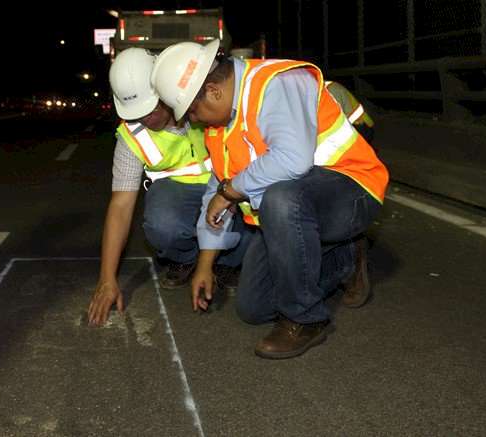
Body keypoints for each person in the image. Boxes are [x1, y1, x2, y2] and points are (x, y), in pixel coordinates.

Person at [151, 40, 389, 358]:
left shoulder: (278, 83)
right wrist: (204, 265)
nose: (194, 121)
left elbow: (292, 159)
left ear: (213, 91)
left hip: (352, 192)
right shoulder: (219, 127)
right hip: (291, 218)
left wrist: (231, 190)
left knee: (280, 197)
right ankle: (345, 257)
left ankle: (305, 320)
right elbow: (215, 195)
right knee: (254, 308)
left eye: (192, 111)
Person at [87, 47, 249, 326]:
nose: (146, 120)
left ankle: (225, 262)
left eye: (149, 110)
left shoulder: (203, 102)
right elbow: (121, 206)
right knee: (162, 223)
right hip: (179, 196)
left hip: (229, 185)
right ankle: (188, 259)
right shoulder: (131, 136)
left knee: (255, 228)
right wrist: (107, 278)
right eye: (136, 114)